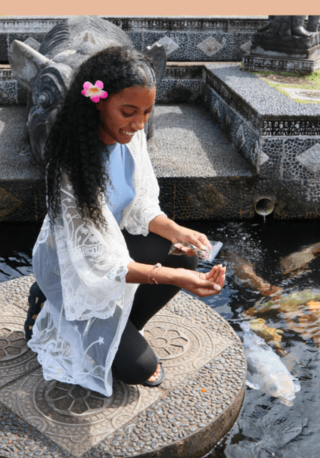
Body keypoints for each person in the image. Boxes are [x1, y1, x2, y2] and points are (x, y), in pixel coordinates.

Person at [26, 45, 226, 397]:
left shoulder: (130, 138)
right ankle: (45, 300)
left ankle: (125, 327)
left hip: (111, 245)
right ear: (98, 102)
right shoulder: (70, 165)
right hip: (75, 265)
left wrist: (177, 230)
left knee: (185, 254)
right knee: (139, 368)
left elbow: (141, 205)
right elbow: (99, 263)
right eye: (128, 111)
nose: (138, 123)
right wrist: (175, 278)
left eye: (147, 112)